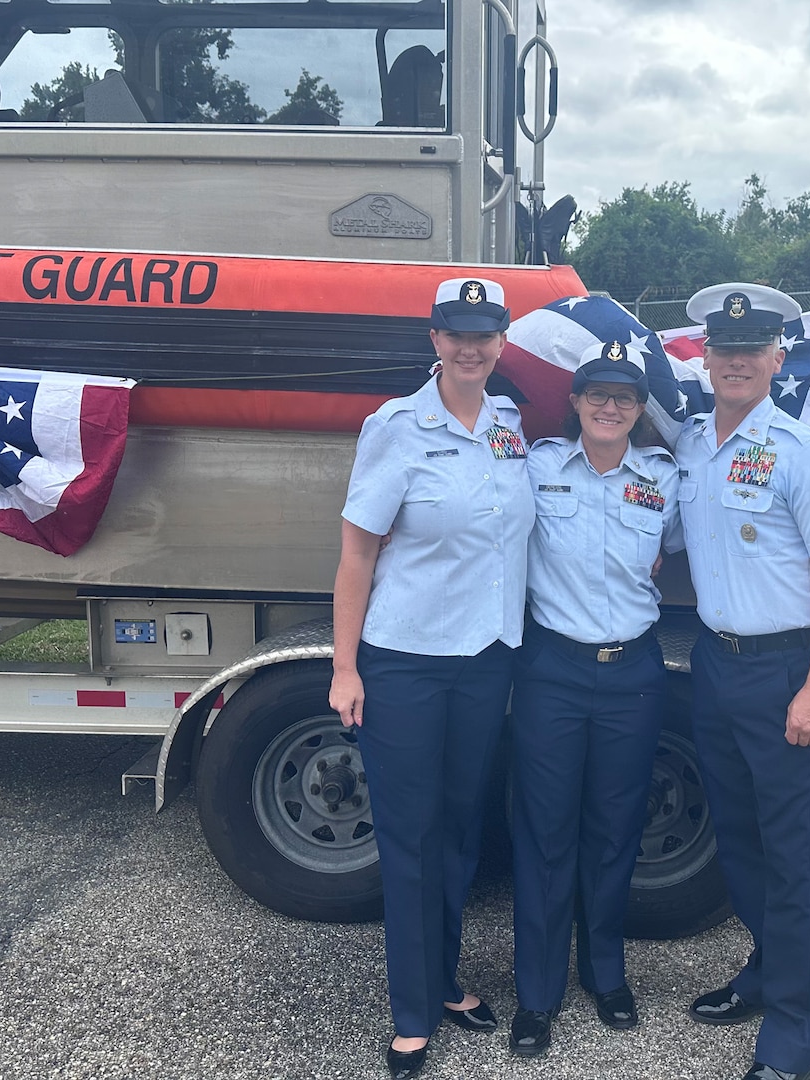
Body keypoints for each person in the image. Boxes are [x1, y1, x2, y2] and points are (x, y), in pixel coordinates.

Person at [329, 277, 535, 1080]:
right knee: (412, 839)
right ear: (434, 339)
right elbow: (357, 553)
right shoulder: (396, 428)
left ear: (501, 341)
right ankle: (412, 1014)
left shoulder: (510, 425)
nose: (471, 347)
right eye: (456, 334)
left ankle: (444, 981)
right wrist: (346, 667)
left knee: (458, 831)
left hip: (486, 659)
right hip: (407, 663)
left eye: (485, 334)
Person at [674, 283, 810, 1080]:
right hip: (714, 667)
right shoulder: (688, 445)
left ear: (778, 359)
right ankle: (764, 973)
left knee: (793, 862)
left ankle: (796, 1034)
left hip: (786, 672)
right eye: (725, 350)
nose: (738, 362)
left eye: (753, 350)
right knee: (742, 849)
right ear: (706, 357)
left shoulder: (803, 454)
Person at [507, 341, 679, 1057]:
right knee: (545, 835)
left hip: (633, 672)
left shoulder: (664, 479)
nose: (611, 407)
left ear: (640, 411)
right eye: (597, 395)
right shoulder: (538, 467)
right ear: (574, 403)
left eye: (626, 398)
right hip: (553, 668)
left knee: (615, 830)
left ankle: (606, 974)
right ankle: (538, 994)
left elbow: (668, 553)